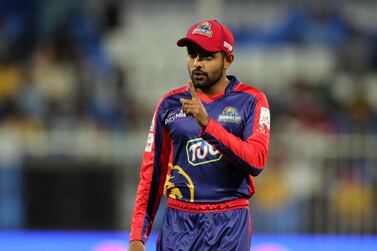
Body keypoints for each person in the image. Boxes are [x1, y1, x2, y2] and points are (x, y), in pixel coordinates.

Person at [128, 20, 270, 251]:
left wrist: (208, 124)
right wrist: (137, 236)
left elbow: (256, 160)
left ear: (228, 60)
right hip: (178, 222)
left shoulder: (252, 100)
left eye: (207, 57)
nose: (197, 64)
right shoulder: (169, 104)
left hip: (229, 220)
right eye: (192, 54)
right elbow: (151, 175)